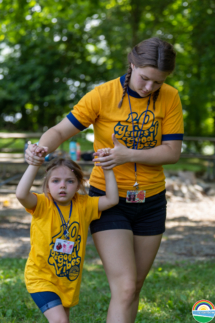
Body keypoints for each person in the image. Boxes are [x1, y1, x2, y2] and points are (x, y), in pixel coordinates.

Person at [25, 37, 184, 323]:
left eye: (158, 83)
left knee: (133, 288)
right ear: (132, 64)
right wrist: (40, 148)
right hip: (109, 200)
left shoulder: (170, 97)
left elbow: (172, 153)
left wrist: (128, 154)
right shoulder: (103, 95)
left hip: (152, 202)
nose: (150, 88)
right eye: (145, 78)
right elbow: (60, 131)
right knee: (124, 286)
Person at [16, 154, 118, 323]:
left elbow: (112, 199)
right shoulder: (42, 203)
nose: (62, 186)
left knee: (63, 320)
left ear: (78, 184)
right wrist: (35, 164)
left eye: (69, 181)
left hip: (67, 279)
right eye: (55, 181)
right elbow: (21, 194)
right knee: (60, 320)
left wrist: (107, 169)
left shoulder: (83, 204)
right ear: (47, 185)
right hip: (40, 277)